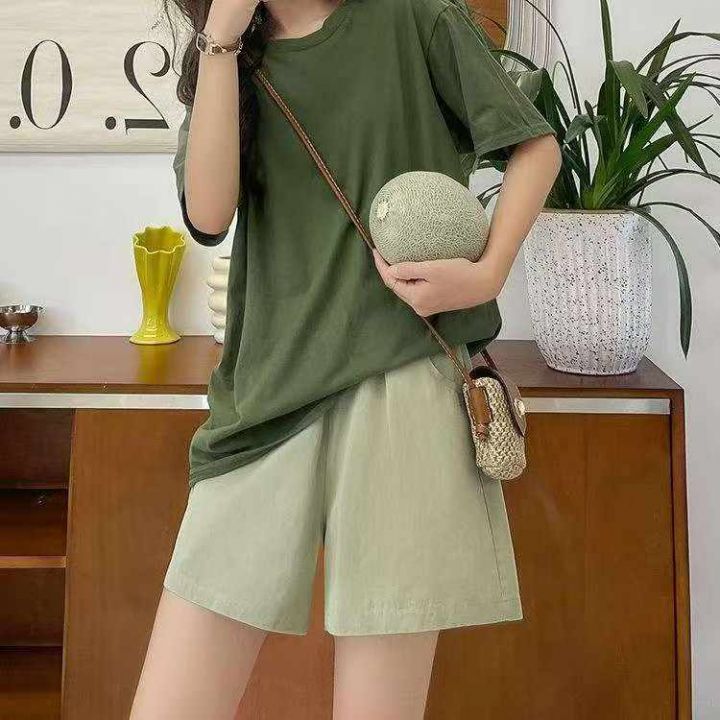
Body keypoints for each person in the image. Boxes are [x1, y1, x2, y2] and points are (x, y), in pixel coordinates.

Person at [130, 0, 561, 717]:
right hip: (268, 396)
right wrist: (222, 40)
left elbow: (535, 147)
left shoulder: (411, 15)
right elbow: (208, 214)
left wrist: (486, 274)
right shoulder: (226, 56)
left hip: (402, 385)